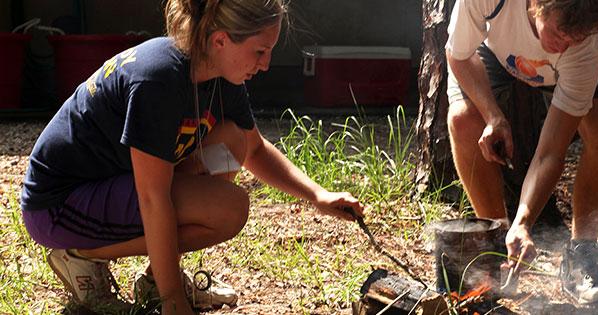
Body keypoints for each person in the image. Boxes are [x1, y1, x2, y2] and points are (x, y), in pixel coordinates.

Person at [20, 0, 363, 313]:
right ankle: (81, 256)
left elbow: (253, 150)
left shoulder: (220, 74)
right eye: (260, 51)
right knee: (228, 209)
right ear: (220, 41)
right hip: (58, 206)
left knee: (231, 140)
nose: (266, 64)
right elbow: (153, 198)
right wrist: (174, 303)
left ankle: (157, 277)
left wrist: (318, 195)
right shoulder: (159, 80)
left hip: (112, 187)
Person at [445, 0, 598, 309]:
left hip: (565, 75)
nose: (562, 46)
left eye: (574, 39)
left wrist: (524, 222)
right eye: (559, 32)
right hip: (494, 52)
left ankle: (582, 256)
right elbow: (458, 55)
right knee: (462, 119)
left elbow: (550, 153)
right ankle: (495, 245)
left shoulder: (584, 42)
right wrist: (493, 116)